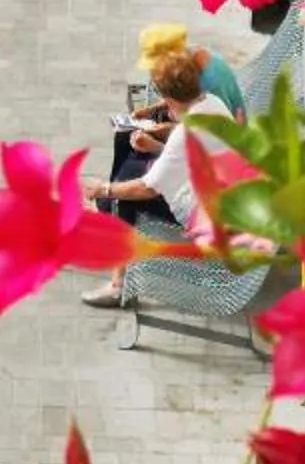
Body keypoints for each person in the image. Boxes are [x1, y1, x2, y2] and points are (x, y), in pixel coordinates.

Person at [79, 45, 231, 303]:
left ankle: (118, 284)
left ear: (169, 99)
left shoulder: (184, 133)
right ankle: (107, 211)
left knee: (123, 197)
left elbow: (148, 188)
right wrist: (155, 146)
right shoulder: (212, 104)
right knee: (127, 141)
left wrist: (102, 188)